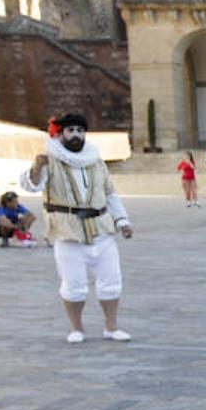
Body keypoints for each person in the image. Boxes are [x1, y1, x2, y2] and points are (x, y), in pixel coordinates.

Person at [20, 112, 134, 344]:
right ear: (60, 134)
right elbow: (31, 185)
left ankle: (111, 327)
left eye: (80, 131)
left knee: (111, 281)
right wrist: (36, 166)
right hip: (67, 231)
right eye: (70, 131)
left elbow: (110, 193)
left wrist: (122, 221)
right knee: (74, 284)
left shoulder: (95, 161)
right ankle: (76, 328)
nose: (75, 135)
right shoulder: (50, 160)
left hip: (101, 227)